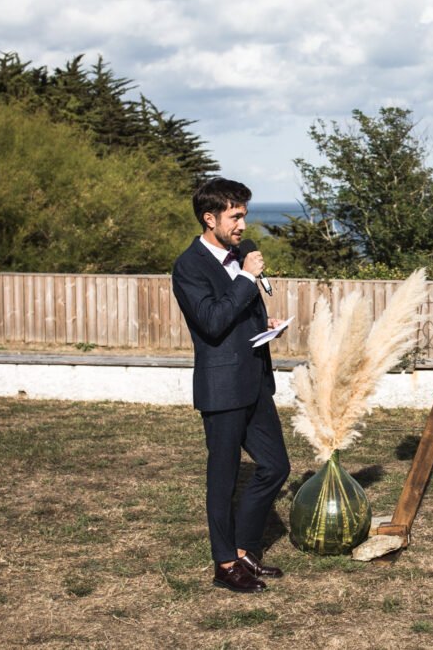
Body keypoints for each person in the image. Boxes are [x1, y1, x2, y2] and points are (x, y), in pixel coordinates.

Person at [172, 177, 291, 593]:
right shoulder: (189, 265)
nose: (242, 224)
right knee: (222, 480)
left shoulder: (238, 255)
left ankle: (243, 550)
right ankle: (224, 564)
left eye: (244, 214)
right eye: (235, 216)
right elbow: (211, 321)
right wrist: (245, 278)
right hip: (221, 388)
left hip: (255, 380)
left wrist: (266, 325)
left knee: (276, 467)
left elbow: (238, 317)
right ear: (210, 218)